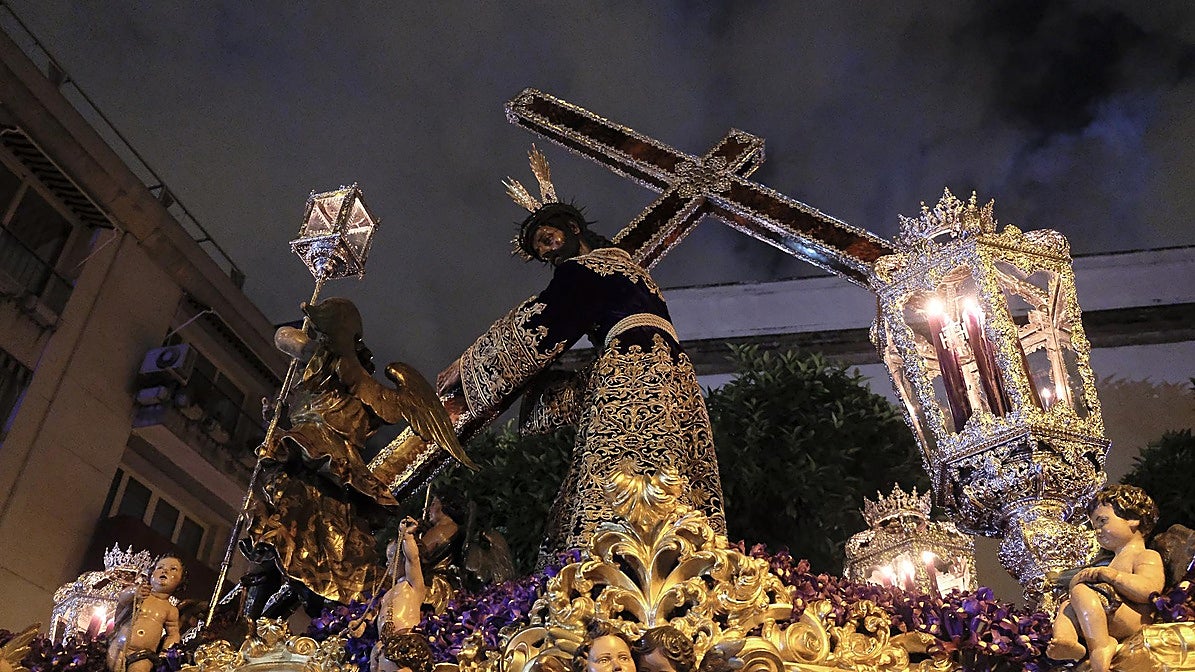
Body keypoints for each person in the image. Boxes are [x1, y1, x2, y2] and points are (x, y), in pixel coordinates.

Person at [437, 148, 725, 553]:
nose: (549, 253)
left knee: (618, 470)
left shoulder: (583, 271)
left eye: (548, 240)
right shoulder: (630, 268)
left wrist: (468, 366)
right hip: (675, 375)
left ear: (572, 228)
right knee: (676, 467)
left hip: (630, 370)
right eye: (542, 252)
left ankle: (616, 554)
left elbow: (540, 323)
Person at [1047, 484, 1165, 672]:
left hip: (1135, 619)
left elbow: (1149, 591)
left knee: (1082, 592)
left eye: (1103, 521)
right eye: (1095, 527)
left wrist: (1114, 577)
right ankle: (1067, 643)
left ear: (1133, 519)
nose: (1098, 530)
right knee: (1067, 604)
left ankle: (1101, 647)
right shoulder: (1110, 562)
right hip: (1109, 614)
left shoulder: (1146, 555)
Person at [107, 555, 184, 672]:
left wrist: (165, 653)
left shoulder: (171, 610)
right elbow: (122, 599)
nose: (165, 571)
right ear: (151, 574)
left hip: (144, 655)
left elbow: (173, 634)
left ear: (181, 580)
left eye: (173, 569)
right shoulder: (141, 594)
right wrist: (134, 592)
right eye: (160, 567)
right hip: (120, 646)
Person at [370, 516, 427, 672]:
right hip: (385, 645)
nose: (387, 563)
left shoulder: (412, 586)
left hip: (405, 646)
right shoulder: (387, 594)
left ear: (403, 559)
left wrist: (407, 537)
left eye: (391, 558)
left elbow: (413, 559)